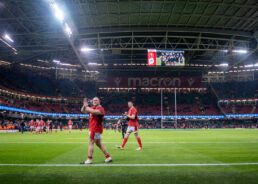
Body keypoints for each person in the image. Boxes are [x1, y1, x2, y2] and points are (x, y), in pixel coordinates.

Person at [80, 97, 112, 164]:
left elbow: (94, 112)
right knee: (99, 144)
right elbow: (82, 111)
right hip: (95, 129)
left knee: (91, 143)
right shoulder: (92, 107)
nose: (94, 101)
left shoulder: (101, 109)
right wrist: (84, 105)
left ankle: (89, 159)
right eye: (93, 100)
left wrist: (87, 106)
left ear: (99, 101)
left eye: (96, 100)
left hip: (95, 129)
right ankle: (108, 157)